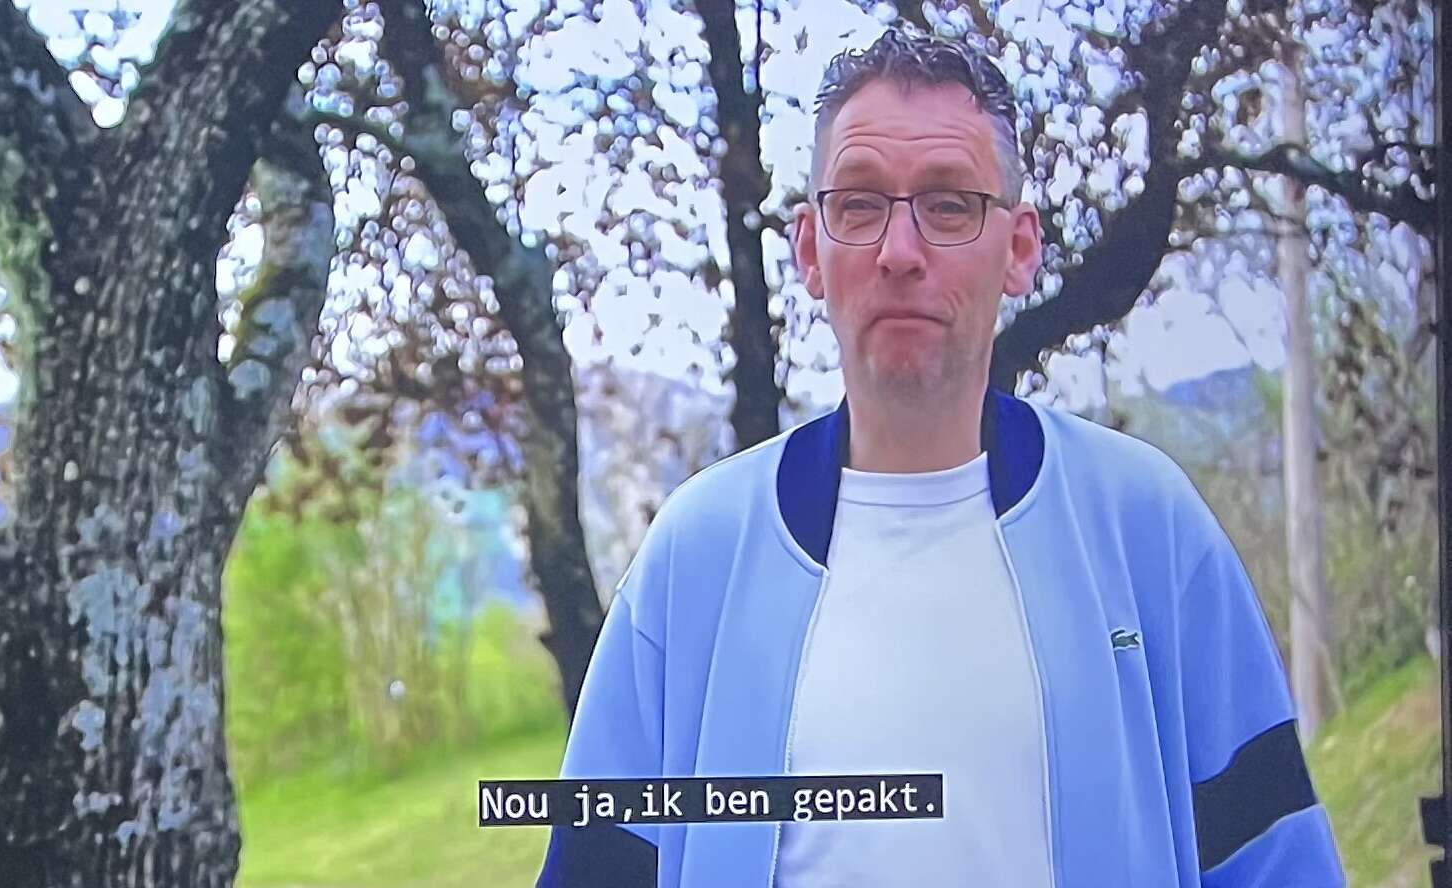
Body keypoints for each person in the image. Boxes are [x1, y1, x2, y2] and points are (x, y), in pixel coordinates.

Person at [536, 27, 1345, 888]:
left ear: (1020, 248)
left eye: (949, 205)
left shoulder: (1146, 528)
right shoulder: (696, 556)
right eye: (859, 204)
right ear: (810, 249)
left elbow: (1277, 864)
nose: (899, 252)